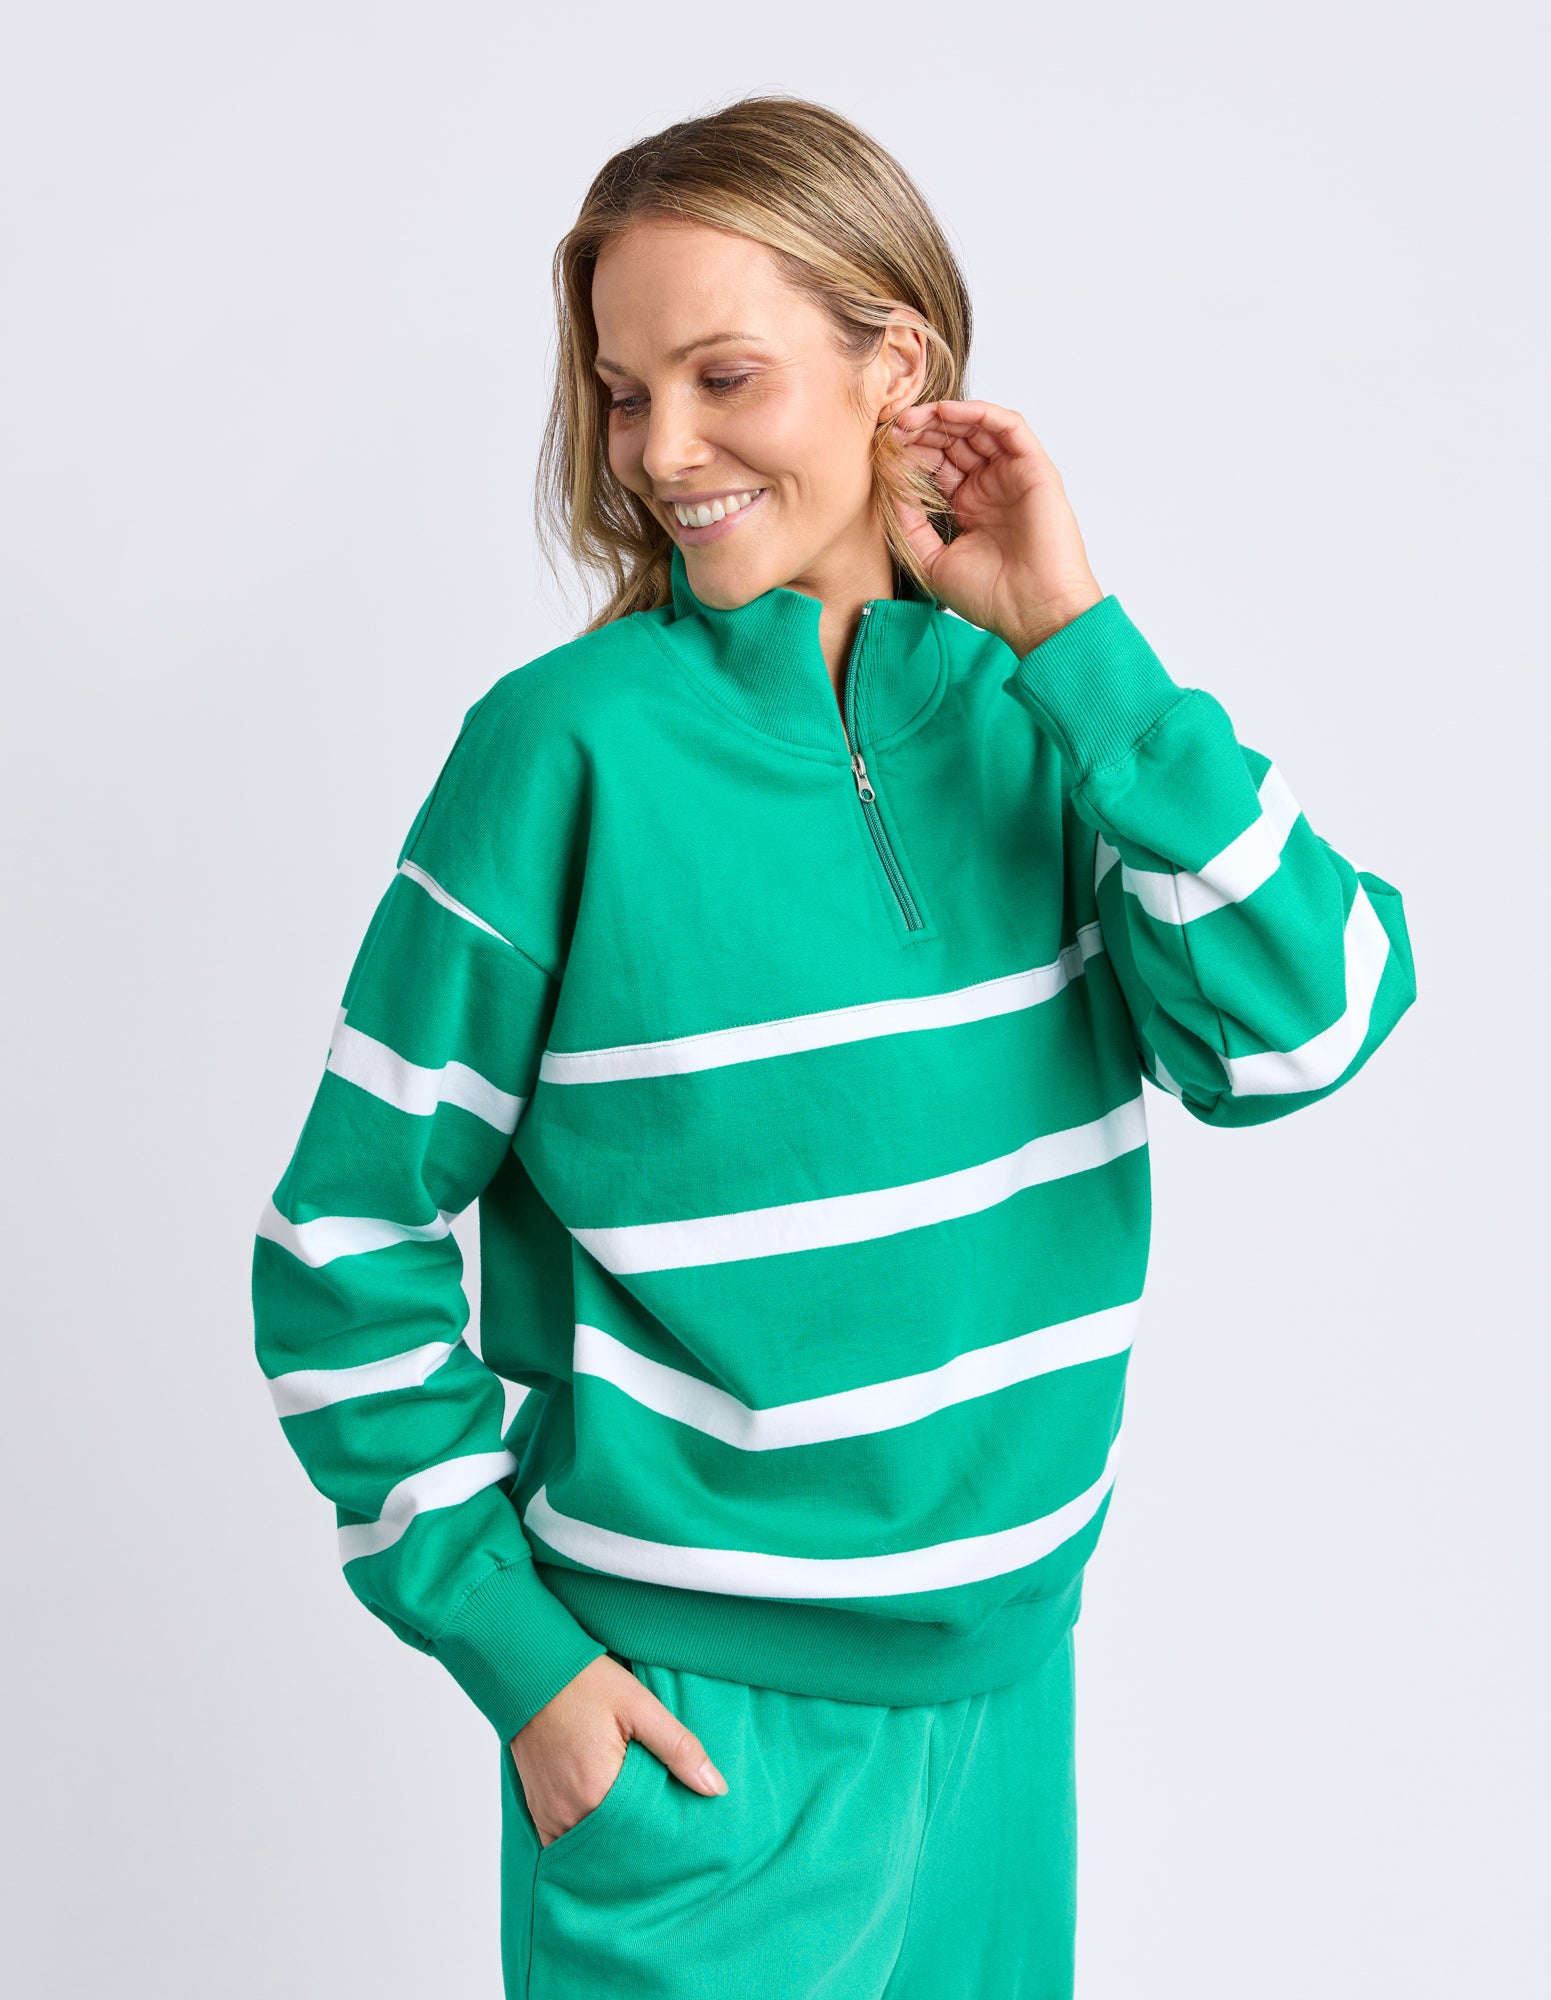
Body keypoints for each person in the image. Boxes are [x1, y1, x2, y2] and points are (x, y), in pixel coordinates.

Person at [251, 93, 1416, 2000]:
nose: (662, 451)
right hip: (692, 1740)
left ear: (900, 367)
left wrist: (1076, 634)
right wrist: (521, 1661)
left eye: (724, 378)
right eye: (624, 394)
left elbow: (1308, 1028)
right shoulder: (563, 752)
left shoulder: (1048, 711)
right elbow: (343, 1233)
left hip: (1006, 1695)